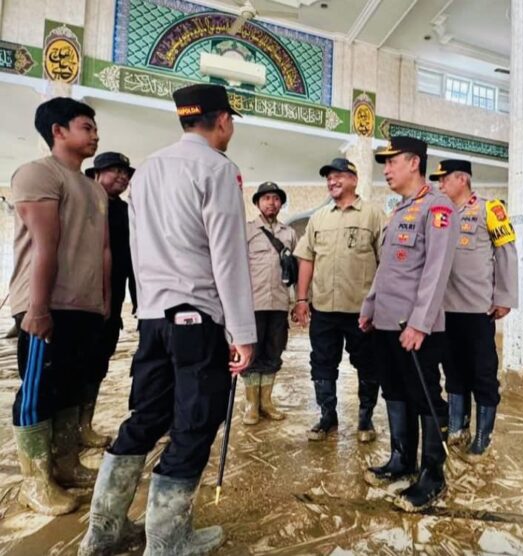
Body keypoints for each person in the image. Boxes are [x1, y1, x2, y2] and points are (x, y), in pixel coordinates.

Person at [80, 84, 256, 556]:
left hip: (154, 316)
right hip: (196, 317)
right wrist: (243, 331)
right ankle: (168, 541)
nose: (231, 128)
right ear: (221, 121)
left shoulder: (148, 170)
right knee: (195, 421)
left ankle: (104, 531)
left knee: (145, 416)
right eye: (231, 121)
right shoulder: (218, 169)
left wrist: (147, 306)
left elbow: (137, 250)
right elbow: (228, 256)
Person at [9, 97, 108, 516]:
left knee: (70, 386)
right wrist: (37, 308)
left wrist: (103, 302)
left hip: (83, 305)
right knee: (38, 392)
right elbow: (45, 244)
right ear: (58, 131)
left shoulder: (92, 187)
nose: (95, 134)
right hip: (45, 304)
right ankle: (37, 481)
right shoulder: (37, 174)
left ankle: (65, 465)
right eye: (86, 126)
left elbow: (102, 251)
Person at [360, 137, 459, 512]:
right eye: (384, 164)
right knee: (395, 391)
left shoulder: (438, 208)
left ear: (414, 162)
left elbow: (436, 272)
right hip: (387, 322)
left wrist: (418, 323)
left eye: (392, 162)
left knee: (424, 396)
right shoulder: (400, 209)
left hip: (418, 328)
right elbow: (387, 269)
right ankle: (402, 460)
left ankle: (432, 475)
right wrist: (370, 305)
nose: (386, 170)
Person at [292, 158, 384, 442]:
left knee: (368, 364)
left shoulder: (372, 215)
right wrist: (302, 299)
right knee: (321, 363)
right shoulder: (319, 218)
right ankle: (327, 416)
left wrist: (380, 305)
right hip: (324, 310)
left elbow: (386, 263)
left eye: (338, 176)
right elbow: (306, 258)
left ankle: (365, 418)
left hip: (361, 311)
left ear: (354, 180)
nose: (332, 181)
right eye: (328, 178)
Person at [432, 159, 518, 460]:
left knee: (482, 371)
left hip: (478, 308)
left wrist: (505, 296)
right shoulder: (440, 214)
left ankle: (483, 436)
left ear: (461, 179)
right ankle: (458, 427)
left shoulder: (489, 209)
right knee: (452, 369)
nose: (439, 185)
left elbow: (506, 253)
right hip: (445, 308)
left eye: (443, 180)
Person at [82, 152, 137, 448]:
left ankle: (83, 425)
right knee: (75, 364)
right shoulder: (83, 202)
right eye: (115, 171)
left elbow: (130, 259)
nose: (122, 177)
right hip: (81, 296)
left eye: (125, 174)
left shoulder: (126, 211)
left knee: (99, 361)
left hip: (112, 298)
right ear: (97, 173)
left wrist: (137, 298)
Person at [242, 181, 296, 425]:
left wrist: (298, 301)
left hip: (279, 303)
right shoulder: (247, 230)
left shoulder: (289, 233)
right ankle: (251, 404)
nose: (271, 203)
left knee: (274, 351)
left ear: (281, 203)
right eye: (266, 198)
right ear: (257, 203)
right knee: (252, 354)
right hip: (252, 303)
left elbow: (294, 269)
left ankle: (266, 401)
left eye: (275, 198)